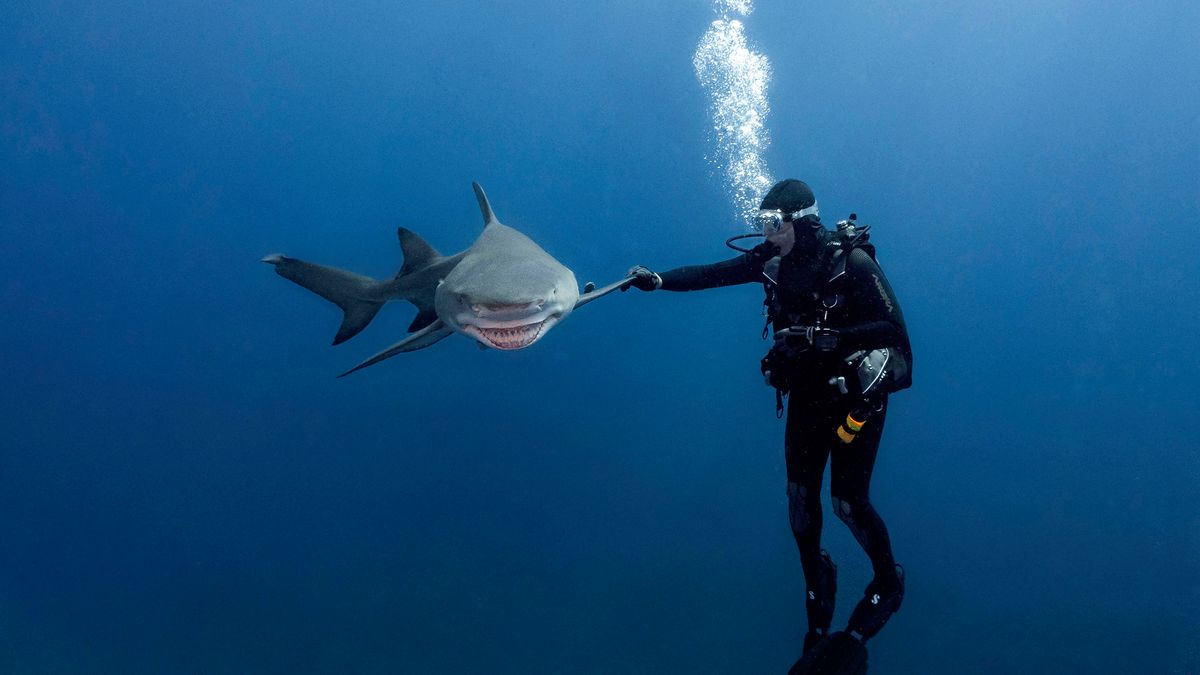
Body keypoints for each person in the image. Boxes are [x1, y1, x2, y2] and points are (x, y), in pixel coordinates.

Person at [625, 179, 912, 656]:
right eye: (761, 223)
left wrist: (832, 339)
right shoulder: (770, 262)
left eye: (771, 224)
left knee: (847, 503)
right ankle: (817, 580)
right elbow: (712, 273)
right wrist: (658, 280)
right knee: (800, 501)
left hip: (854, 399)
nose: (764, 234)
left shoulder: (851, 263)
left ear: (798, 220)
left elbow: (894, 334)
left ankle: (889, 580)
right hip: (805, 397)